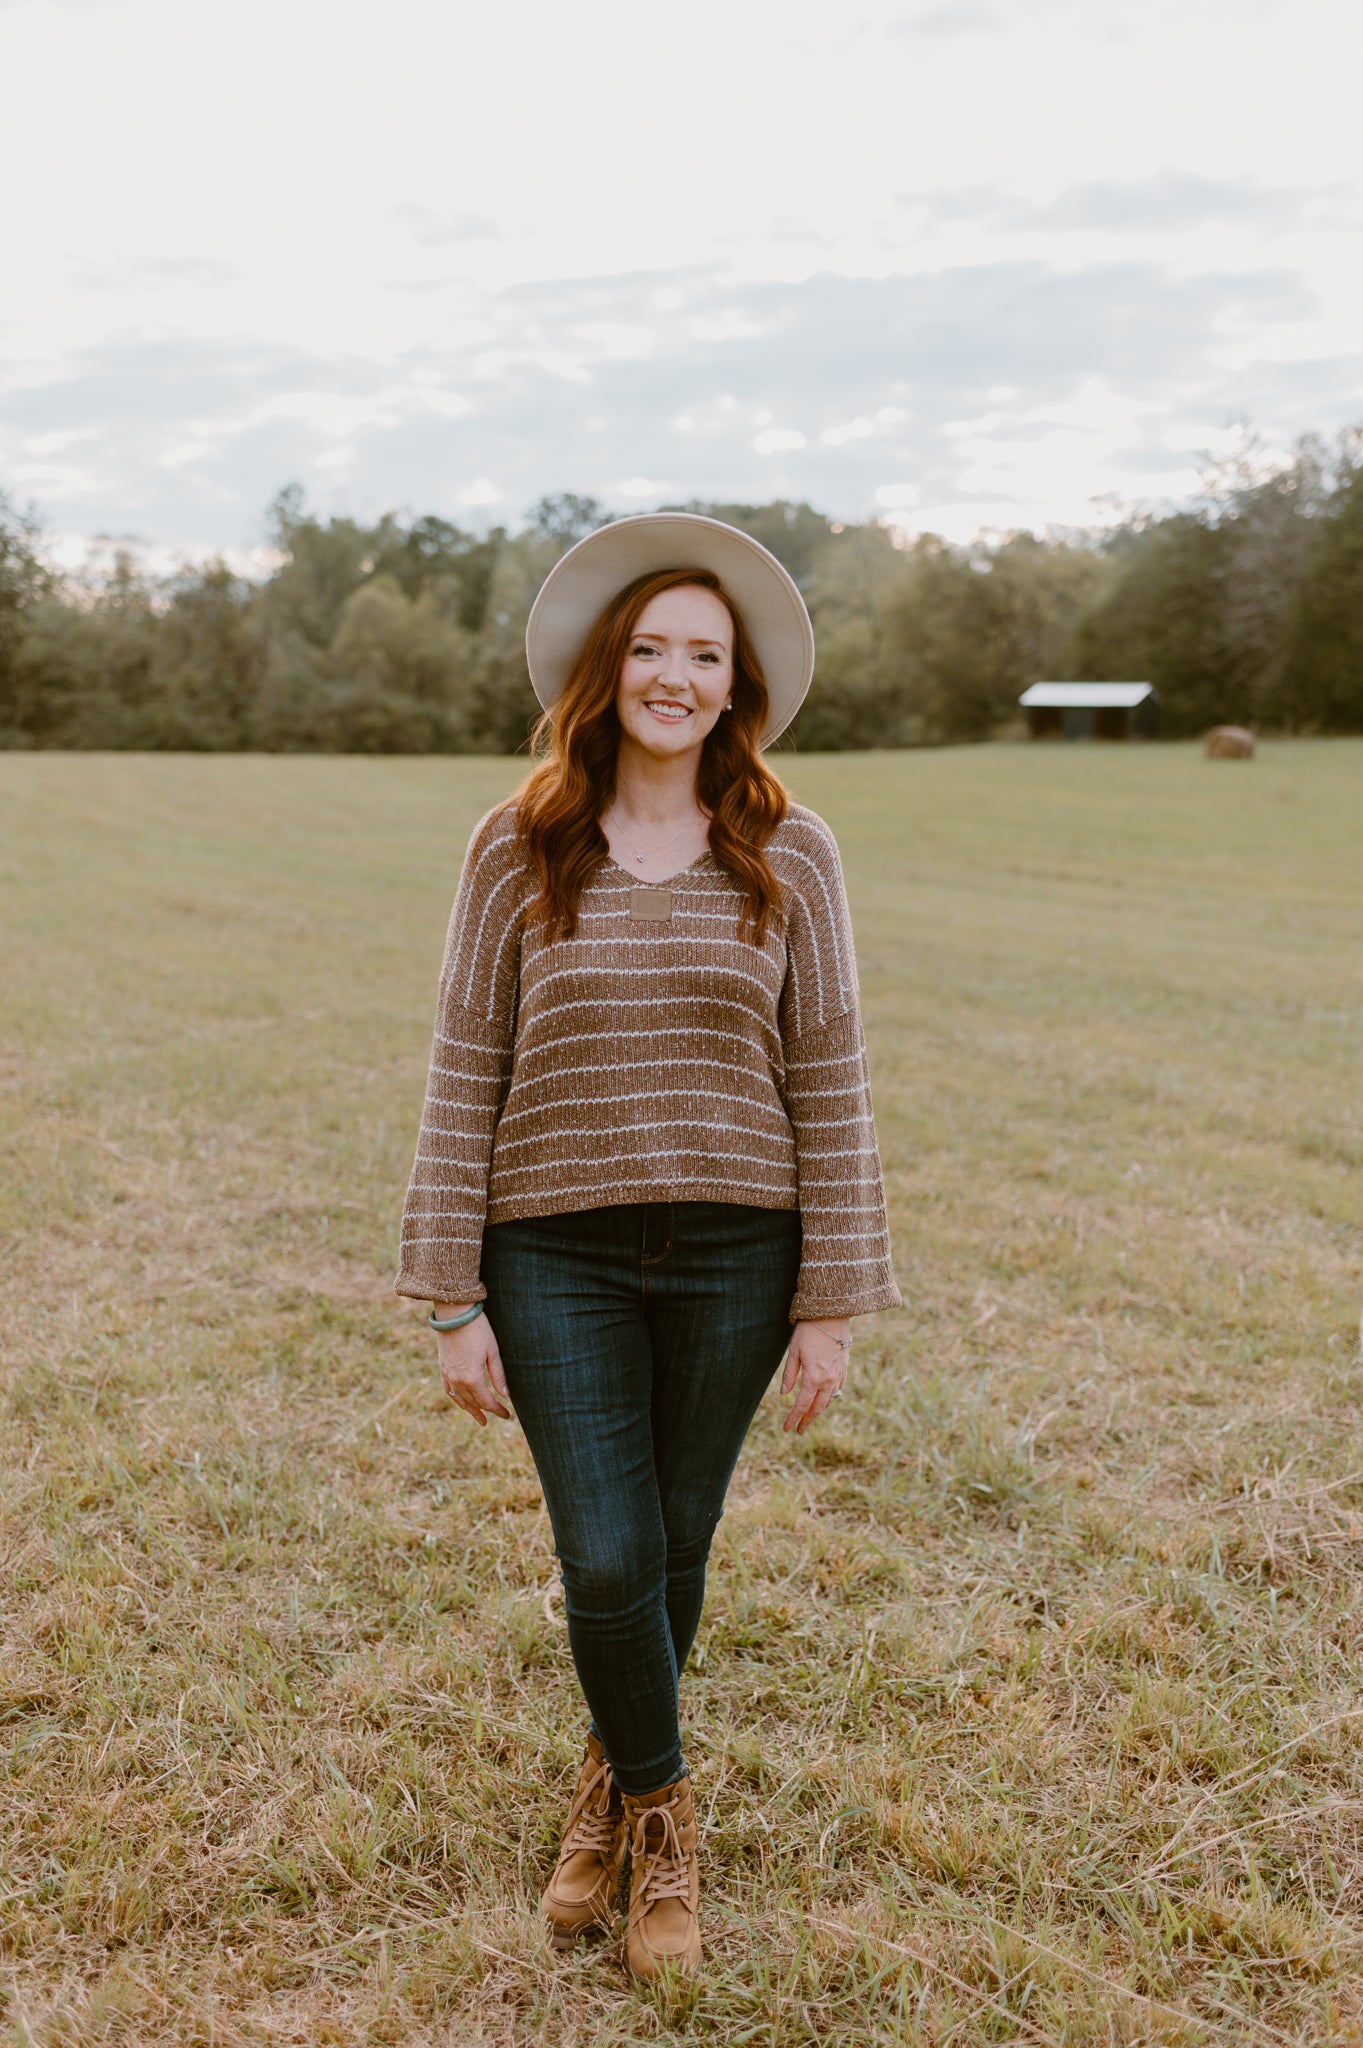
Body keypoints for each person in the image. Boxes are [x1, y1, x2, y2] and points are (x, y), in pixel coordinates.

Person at [395, 512, 900, 1979]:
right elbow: (460, 1062)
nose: (674, 675)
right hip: (552, 1249)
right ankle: (663, 1814)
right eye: (650, 649)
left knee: (677, 1545)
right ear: (608, 672)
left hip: (743, 1249)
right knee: (608, 1549)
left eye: (705, 653)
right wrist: (446, 1294)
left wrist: (833, 1302)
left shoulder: (792, 850)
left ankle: (610, 1785)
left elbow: (832, 1071)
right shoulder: (518, 843)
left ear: (735, 685)